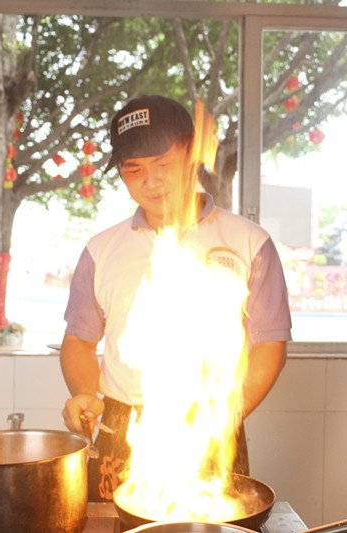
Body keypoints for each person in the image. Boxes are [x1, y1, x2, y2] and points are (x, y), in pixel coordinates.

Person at [59, 94, 292, 502]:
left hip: (211, 422)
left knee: (211, 525)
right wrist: (85, 394)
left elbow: (270, 345)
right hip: (122, 424)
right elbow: (79, 341)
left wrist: (222, 416)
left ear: (190, 157)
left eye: (163, 164)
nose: (150, 182)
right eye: (134, 170)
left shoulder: (249, 243)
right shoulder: (101, 250)